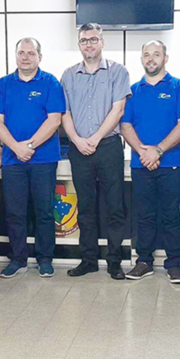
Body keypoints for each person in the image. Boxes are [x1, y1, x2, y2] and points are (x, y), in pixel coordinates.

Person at [0, 38, 65, 279]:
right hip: (13, 160)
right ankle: (18, 258)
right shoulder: (3, 84)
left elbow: (54, 120)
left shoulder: (51, 82)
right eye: (21, 53)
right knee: (15, 211)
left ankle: (45, 259)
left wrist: (29, 145)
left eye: (31, 53)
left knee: (44, 211)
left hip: (43, 159)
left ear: (39, 57)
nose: (25, 57)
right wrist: (15, 147)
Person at [60, 23, 131, 280]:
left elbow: (118, 109)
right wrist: (77, 139)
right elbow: (63, 113)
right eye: (83, 40)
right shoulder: (68, 75)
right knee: (86, 207)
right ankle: (88, 259)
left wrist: (95, 138)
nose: (88, 44)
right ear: (79, 45)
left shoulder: (118, 72)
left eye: (93, 39)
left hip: (109, 146)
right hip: (79, 148)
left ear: (102, 42)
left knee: (114, 206)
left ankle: (114, 261)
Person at [120, 40, 180, 284]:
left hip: (170, 163)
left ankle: (174, 264)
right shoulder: (132, 90)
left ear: (165, 58)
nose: (151, 58)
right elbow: (125, 125)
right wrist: (142, 151)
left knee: (171, 215)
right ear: (142, 59)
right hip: (141, 164)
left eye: (156, 54)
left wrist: (157, 151)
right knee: (144, 215)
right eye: (147, 54)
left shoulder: (179, 87)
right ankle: (144, 262)